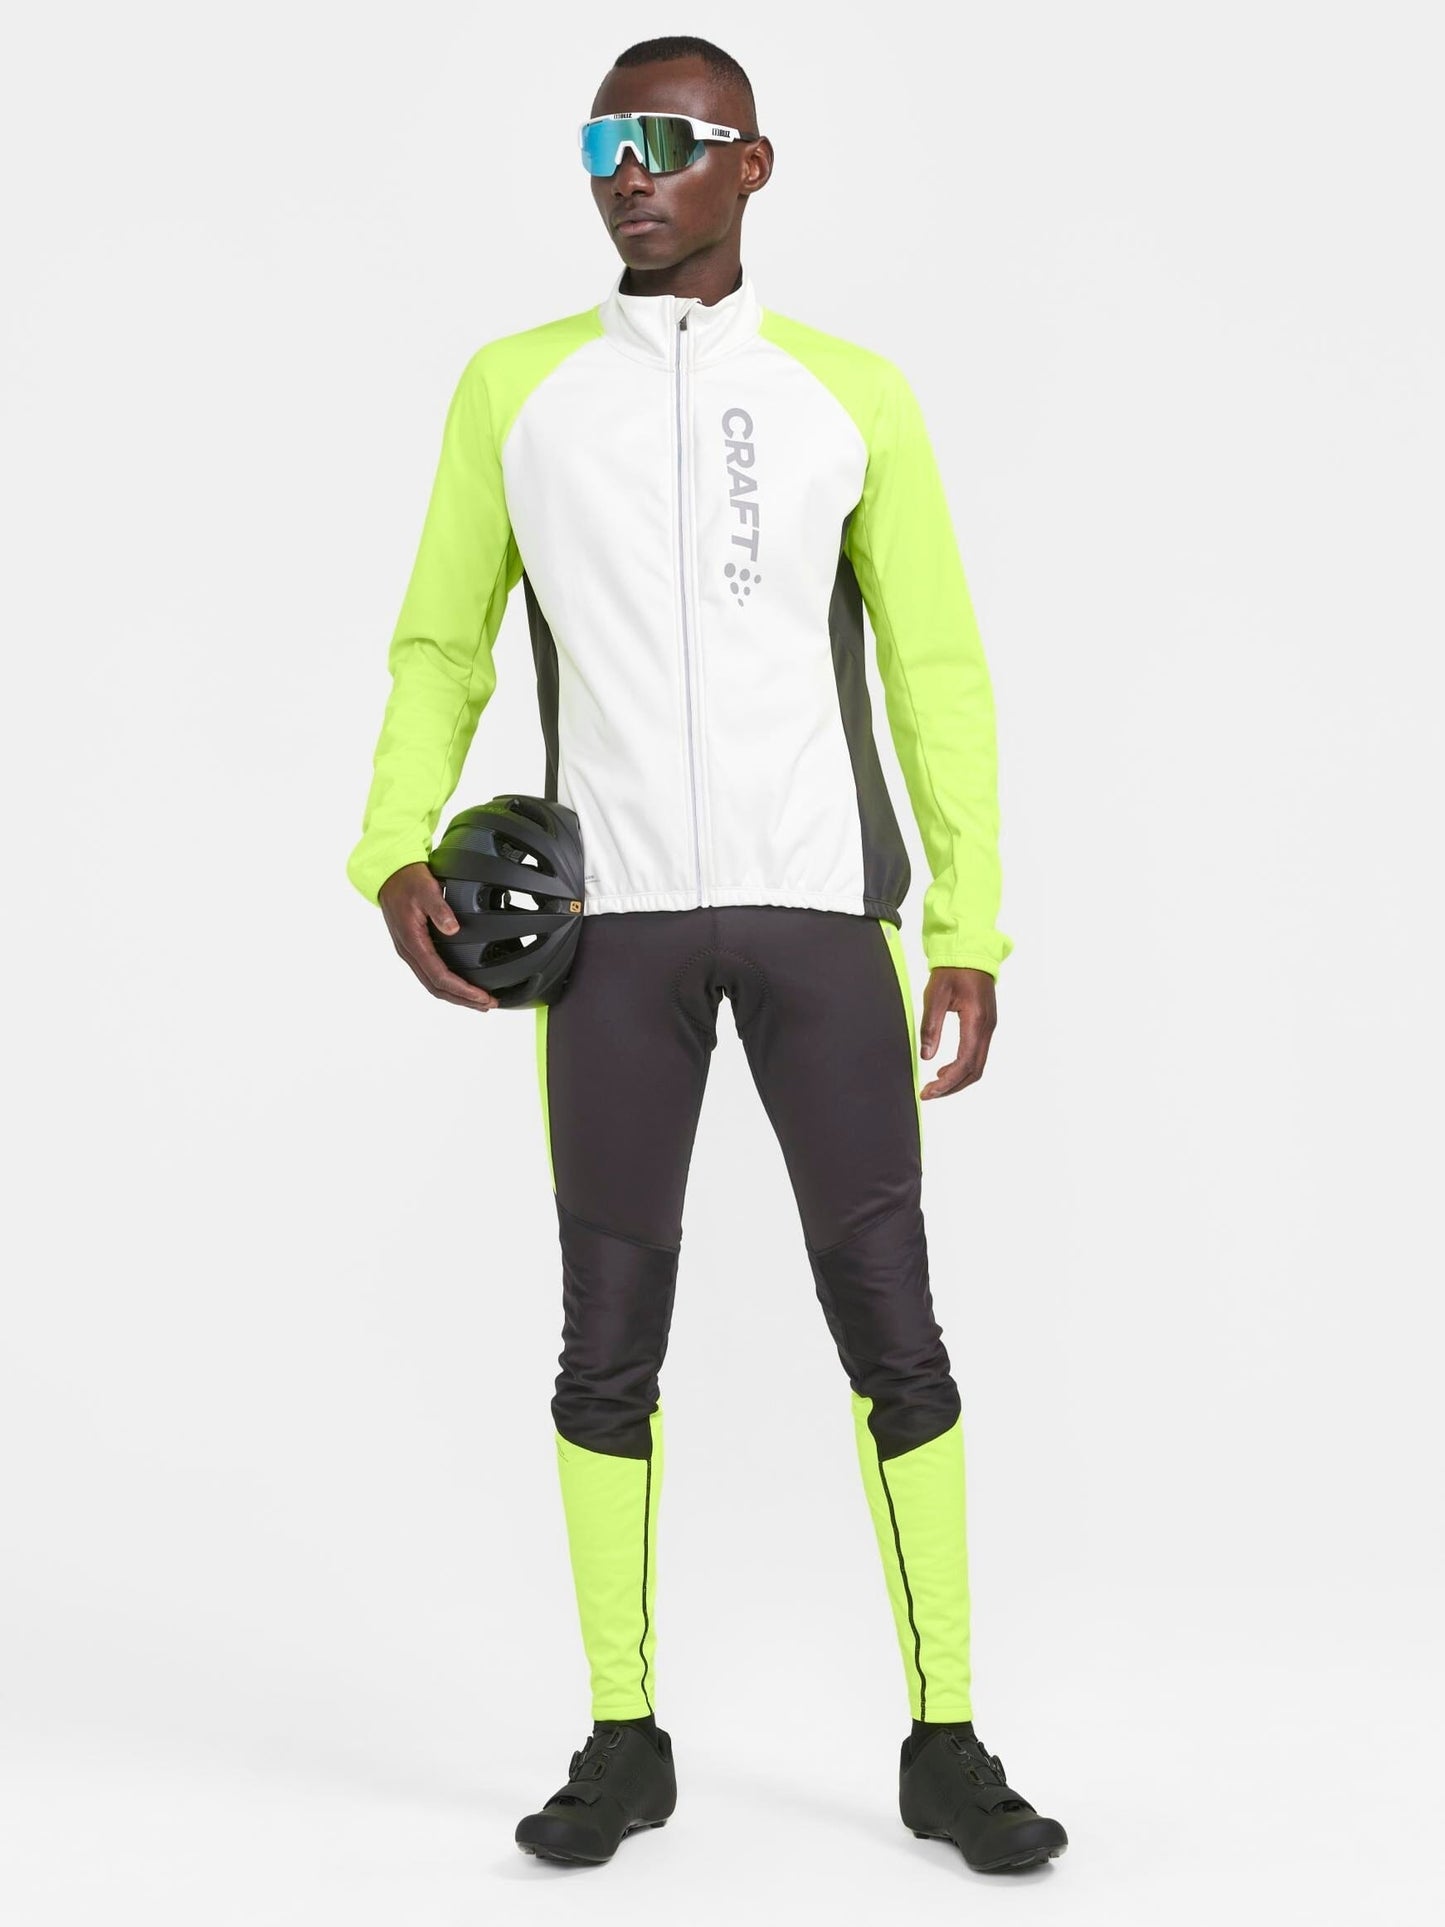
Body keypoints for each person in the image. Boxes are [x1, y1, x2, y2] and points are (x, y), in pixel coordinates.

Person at [345, 32, 1068, 1877]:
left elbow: (938, 673)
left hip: (822, 915)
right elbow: (441, 644)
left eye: (668, 139)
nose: (629, 172)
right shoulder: (515, 390)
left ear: (752, 164)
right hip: (613, 931)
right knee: (605, 1344)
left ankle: (946, 1741)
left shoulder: (850, 394)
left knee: (894, 1329)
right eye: (605, 139)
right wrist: (389, 844)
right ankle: (621, 1738)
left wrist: (968, 925)